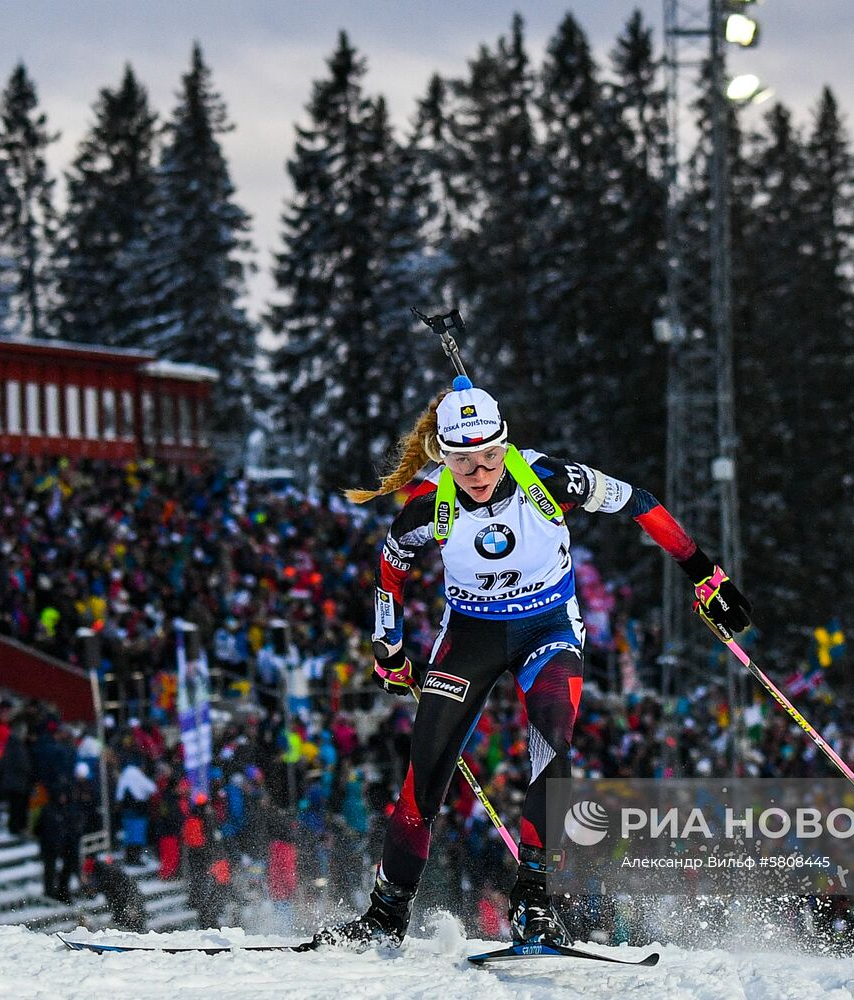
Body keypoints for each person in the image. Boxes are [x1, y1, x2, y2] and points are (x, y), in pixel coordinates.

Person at [319, 376, 751, 949]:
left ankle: (535, 901)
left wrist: (704, 573)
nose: (480, 473)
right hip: (471, 634)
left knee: (553, 742)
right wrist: (388, 646)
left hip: (547, 627)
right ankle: (386, 915)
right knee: (424, 776)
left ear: (506, 444)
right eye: (465, 462)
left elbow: (639, 502)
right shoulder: (429, 504)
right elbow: (390, 568)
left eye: (491, 455)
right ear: (443, 458)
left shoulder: (548, 478)